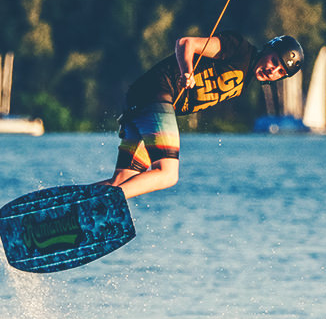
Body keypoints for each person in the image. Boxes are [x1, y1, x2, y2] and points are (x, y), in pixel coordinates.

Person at [99, 31, 304, 199]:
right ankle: (107, 203)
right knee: (167, 174)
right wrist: (186, 71)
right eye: (274, 60)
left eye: (280, 71)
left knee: (122, 180)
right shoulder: (240, 49)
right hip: (155, 93)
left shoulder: (244, 83)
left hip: (141, 102)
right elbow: (186, 43)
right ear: (268, 49)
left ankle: (70, 207)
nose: (273, 69)